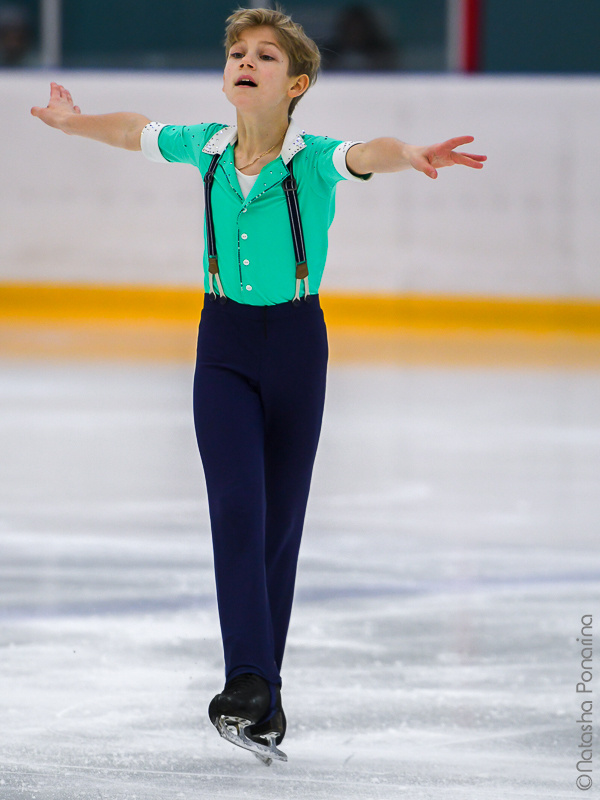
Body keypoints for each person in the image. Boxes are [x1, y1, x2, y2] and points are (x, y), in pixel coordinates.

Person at [31, 5, 486, 765]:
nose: (245, 61)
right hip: (225, 344)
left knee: (280, 526)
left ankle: (262, 698)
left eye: (265, 56)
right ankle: (247, 680)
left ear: (295, 82)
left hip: (299, 345)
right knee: (238, 506)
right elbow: (135, 131)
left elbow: (366, 154)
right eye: (237, 52)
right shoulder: (206, 149)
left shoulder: (310, 157)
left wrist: (408, 151)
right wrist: (73, 122)